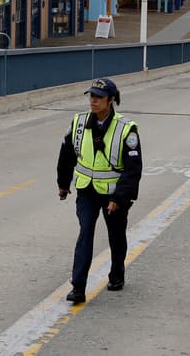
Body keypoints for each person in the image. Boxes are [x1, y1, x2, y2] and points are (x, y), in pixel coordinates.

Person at [57, 78, 142, 304]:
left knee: (116, 235)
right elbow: (66, 154)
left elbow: (133, 170)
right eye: (91, 97)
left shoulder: (126, 129)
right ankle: (78, 287)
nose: (93, 101)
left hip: (114, 193)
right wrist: (63, 184)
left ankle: (116, 274)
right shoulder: (78, 122)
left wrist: (119, 198)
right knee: (85, 233)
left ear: (111, 100)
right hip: (86, 190)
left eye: (99, 97)